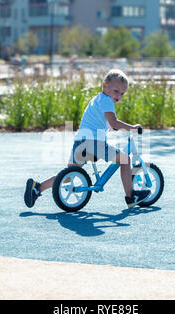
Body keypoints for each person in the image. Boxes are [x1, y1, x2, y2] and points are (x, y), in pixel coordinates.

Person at [24, 69, 150, 209]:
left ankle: (37, 188)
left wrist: (112, 127)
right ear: (104, 85)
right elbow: (114, 122)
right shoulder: (107, 101)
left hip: (80, 142)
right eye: (116, 91)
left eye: (122, 93)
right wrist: (132, 127)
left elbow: (103, 122)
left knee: (67, 176)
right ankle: (131, 196)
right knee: (125, 159)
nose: (118, 96)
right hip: (93, 143)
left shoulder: (97, 99)